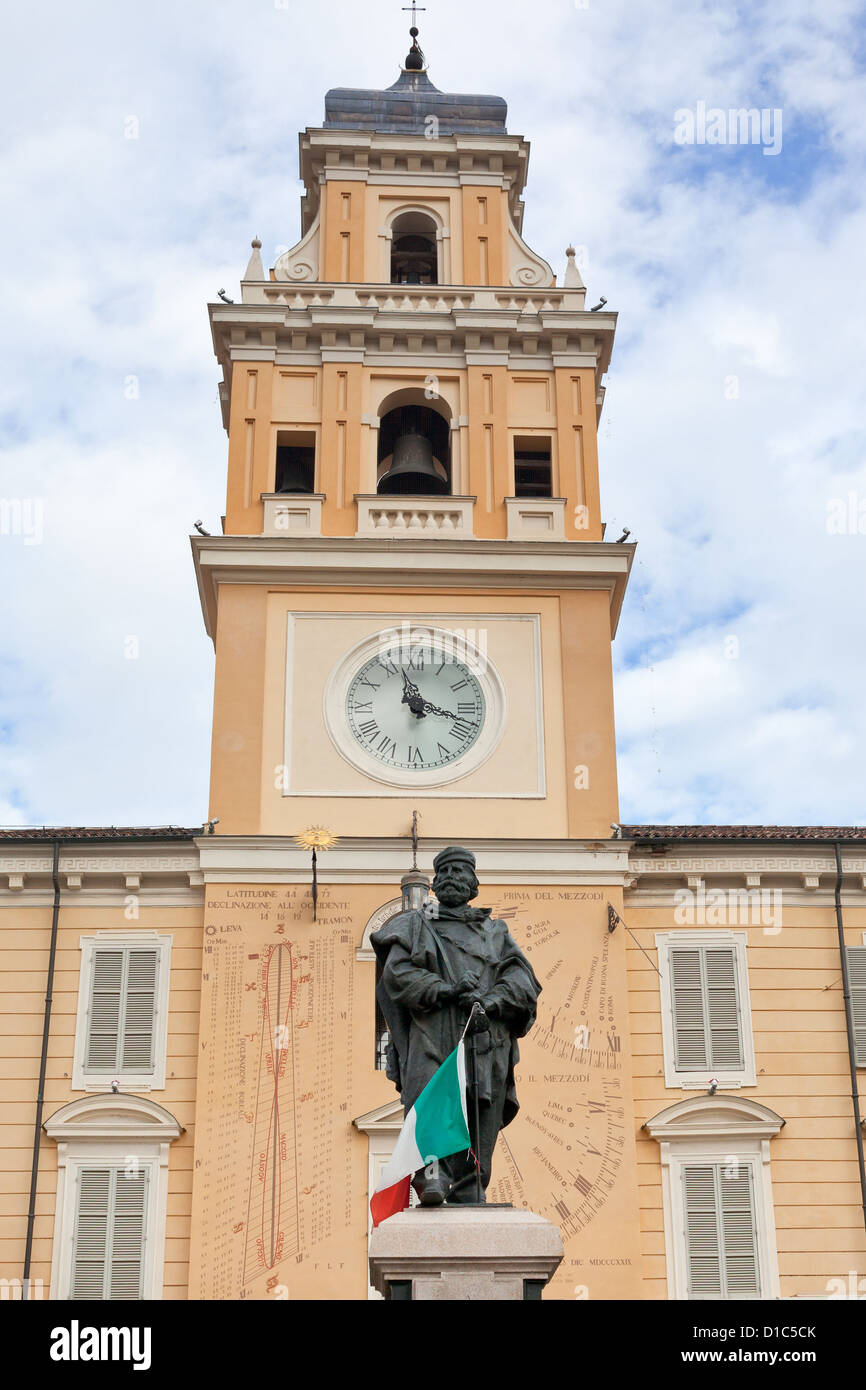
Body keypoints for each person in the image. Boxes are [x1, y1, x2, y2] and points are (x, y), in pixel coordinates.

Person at [371, 846, 541, 1204]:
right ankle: (431, 1174)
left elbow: (523, 981)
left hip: (484, 1035)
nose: (451, 879)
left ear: (473, 884)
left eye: (459, 872)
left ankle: (470, 1185)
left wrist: (491, 1001)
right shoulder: (415, 926)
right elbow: (396, 976)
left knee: (480, 1108)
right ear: (434, 883)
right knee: (429, 1096)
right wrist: (446, 990)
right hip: (432, 1031)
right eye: (444, 873)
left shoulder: (495, 933)